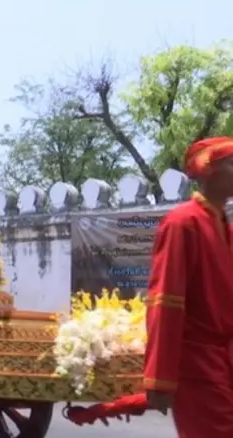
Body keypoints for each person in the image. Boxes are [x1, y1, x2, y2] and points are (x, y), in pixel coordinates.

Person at [143, 136, 233, 437]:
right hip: (199, 369)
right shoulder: (182, 223)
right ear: (209, 171)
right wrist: (159, 377)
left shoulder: (224, 225)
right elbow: (165, 302)